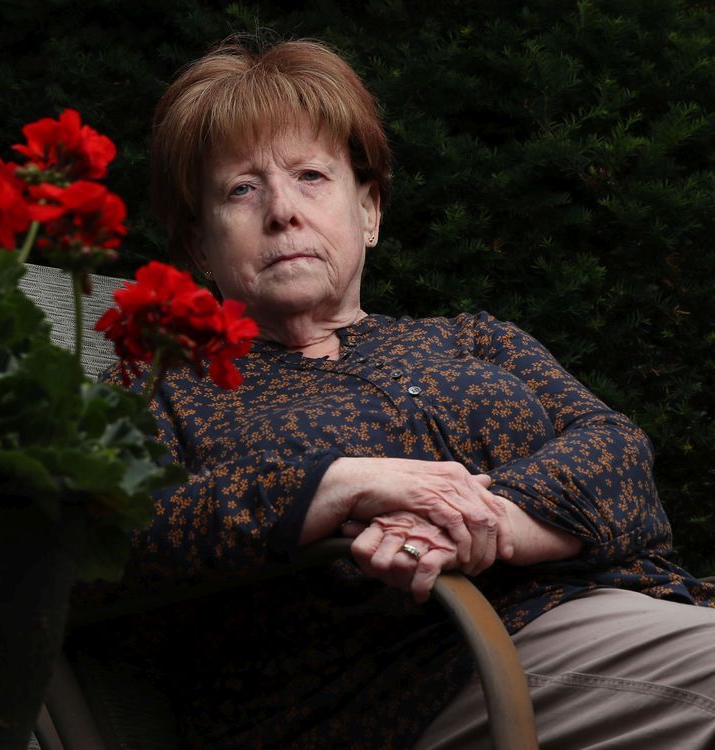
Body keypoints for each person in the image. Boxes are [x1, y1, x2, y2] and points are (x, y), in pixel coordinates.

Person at [95, 37, 715, 749]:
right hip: (401, 687)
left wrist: (486, 525)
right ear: (200, 245)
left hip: (608, 620)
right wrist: (332, 487)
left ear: (369, 212)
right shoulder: (167, 383)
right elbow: (112, 544)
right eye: (242, 188)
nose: (282, 212)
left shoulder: (475, 338)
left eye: (310, 176)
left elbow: (618, 455)